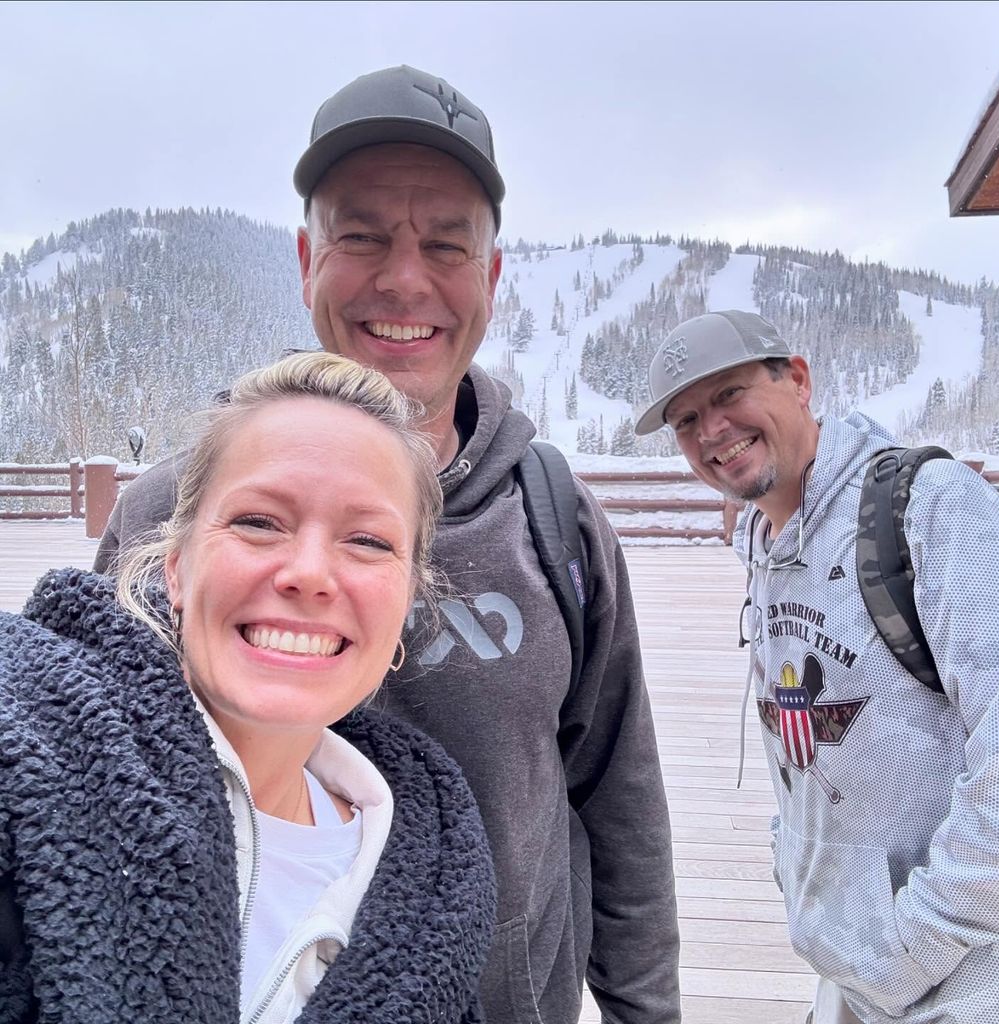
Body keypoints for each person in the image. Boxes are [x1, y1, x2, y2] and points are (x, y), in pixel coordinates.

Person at [92, 66, 680, 1023]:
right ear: (306, 259)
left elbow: (619, 796)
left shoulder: (555, 518)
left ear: (490, 277)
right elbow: (83, 768)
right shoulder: (173, 511)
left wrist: (645, 1010)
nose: (405, 279)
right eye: (360, 235)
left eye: (447, 244)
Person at [0, 353, 495, 1023]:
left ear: (409, 594)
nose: (310, 572)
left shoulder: (432, 881)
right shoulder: (30, 754)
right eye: (260, 522)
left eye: (369, 541)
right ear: (176, 569)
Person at [635, 309, 999, 1024]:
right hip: (853, 972)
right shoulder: (765, 541)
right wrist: (802, 874)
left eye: (728, 395)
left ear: (800, 380)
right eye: (686, 420)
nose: (711, 431)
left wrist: (913, 943)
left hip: (972, 985)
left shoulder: (932, 510)